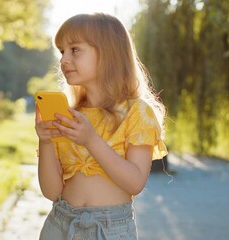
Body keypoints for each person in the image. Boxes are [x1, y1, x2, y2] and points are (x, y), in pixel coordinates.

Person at [35, 13, 168, 240]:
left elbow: (135, 183)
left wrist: (91, 140)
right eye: (61, 51)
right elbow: (52, 192)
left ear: (108, 53)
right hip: (59, 224)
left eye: (74, 49)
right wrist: (46, 141)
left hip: (110, 229)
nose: (64, 60)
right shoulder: (70, 115)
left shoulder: (138, 113)